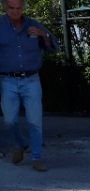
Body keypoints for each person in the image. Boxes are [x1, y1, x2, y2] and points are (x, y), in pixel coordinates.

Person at [0, 0, 57, 172]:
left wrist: (43, 35)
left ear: (23, 8)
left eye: (18, 8)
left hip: (31, 80)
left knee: (35, 120)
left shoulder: (33, 25)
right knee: (9, 120)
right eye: (11, 8)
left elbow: (53, 48)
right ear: (4, 7)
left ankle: (37, 157)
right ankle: (20, 144)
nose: (15, 11)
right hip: (7, 80)